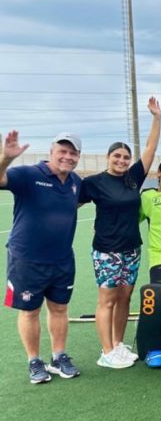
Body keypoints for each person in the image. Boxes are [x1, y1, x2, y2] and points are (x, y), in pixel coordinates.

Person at [78, 96, 161, 369]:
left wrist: (156, 118)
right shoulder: (94, 183)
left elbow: (149, 149)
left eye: (126, 157)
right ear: (108, 158)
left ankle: (118, 344)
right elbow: (70, 203)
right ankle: (106, 351)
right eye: (117, 156)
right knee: (108, 299)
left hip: (131, 248)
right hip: (106, 250)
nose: (122, 160)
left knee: (125, 297)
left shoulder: (132, 179)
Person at [0, 130, 82, 384]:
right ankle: (34, 361)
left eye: (73, 152)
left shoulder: (75, 181)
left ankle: (59, 356)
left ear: (78, 156)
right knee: (29, 310)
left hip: (62, 260)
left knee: (59, 308)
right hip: (26, 260)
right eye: (63, 151)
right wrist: (5, 158)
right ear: (51, 152)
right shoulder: (28, 174)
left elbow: (70, 205)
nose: (67, 157)